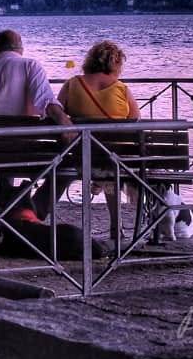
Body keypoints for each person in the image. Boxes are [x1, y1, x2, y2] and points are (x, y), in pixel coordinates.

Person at [0, 30, 74, 218]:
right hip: (22, 154)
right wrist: (64, 122)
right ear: (20, 48)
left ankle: (9, 212)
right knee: (69, 165)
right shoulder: (29, 65)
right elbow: (46, 100)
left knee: (3, 159)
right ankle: (34, 209)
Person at [58, 40, 138, 239]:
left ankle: (37, 217)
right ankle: (115, 226)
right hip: (114, 159)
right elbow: (135, 122)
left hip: (78, 157)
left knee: (97, 159)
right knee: (110, 164)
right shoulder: (122, 89)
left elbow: (56, 113)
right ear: (117, 64)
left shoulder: (72, 84)